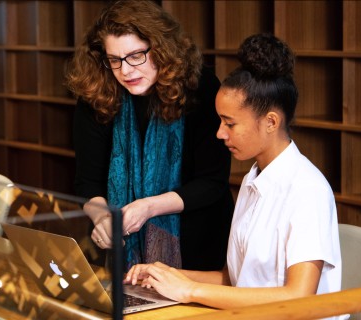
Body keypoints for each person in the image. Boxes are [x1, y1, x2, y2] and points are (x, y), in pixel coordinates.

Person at [124, 33, 344, 318]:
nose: (219, 133)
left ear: (271, 122)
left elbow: (298, 296)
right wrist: (167, 276)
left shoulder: (306, 189)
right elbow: (234, 280)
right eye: (220, 121)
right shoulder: (254, 179)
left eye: (230, 123)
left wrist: (189, 291)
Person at [65, 0, 234, 272]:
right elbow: (88, 184)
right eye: (114, 60)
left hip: (198, 244)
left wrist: (149, 208)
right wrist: (102, 219)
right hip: (123, 256)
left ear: (161, 48)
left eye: (135, 56)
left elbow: (212, 183)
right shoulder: (95, 93)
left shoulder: (200, 87)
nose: (126, 71)